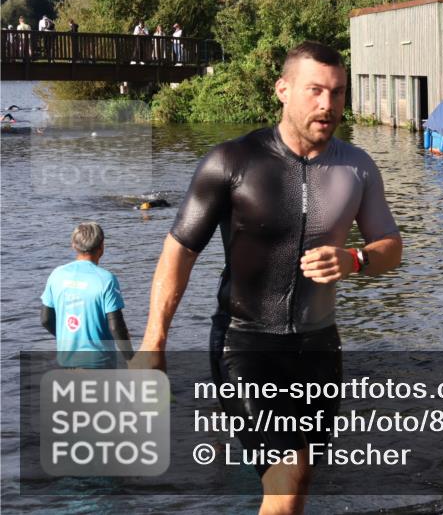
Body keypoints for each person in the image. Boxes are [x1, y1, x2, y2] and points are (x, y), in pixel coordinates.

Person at [134, 41, 403, 513]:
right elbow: (180, 251)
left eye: (338, 92)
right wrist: (154, 341)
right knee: (287, 475)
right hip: (245, 343)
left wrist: (355, 260)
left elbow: (391, 247)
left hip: (319, 346)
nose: (328, 104)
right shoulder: (231, 162)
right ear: (283, 90)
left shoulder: (357, 167)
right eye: (315, 90)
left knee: (298, 481)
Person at [41, 223, 134, 368]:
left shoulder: (57, 274)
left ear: (74, 245)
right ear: (102, 246)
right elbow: (116, 327)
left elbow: (46, 319)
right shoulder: (106, 280)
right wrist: (131, 359)